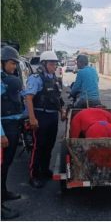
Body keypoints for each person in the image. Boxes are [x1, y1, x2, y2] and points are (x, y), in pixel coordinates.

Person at [24, 51, 66, 188]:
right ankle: (34, 175)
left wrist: (61, 111)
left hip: (53, 117)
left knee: (49, 145)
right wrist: (32, 118)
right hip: (40, 116)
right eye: (51, 63)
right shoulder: (36, 78)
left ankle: (44, 169)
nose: (54, 66)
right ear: (44, 64)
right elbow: (28, 98)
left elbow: (56, 98)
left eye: (55, 64)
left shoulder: (54, 78)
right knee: (38, 146)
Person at [1, 46, 22, 219]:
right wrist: (1, 134)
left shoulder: (7, 79)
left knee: (6, 164)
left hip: (13, 126)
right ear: (2, 63)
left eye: (15, 63)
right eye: (11, 63)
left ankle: (3, 193)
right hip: (4, 128)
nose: (14, 66)